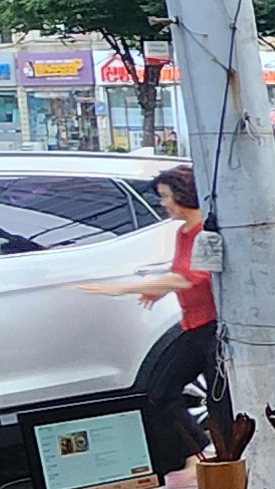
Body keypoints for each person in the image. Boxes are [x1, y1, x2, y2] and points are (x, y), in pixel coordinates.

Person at [90, 164, 222, 469]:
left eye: (166, 196)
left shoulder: (204, 231)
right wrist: (158, 292)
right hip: (192, 324)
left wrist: (127, 288)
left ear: (183, 195)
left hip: (211, 326)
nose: (163, 204)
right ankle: (198, 454)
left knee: (211, 398)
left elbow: (192, 277)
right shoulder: (183, 232)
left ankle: (210, 460)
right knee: (160, 392)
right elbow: (182, 274)